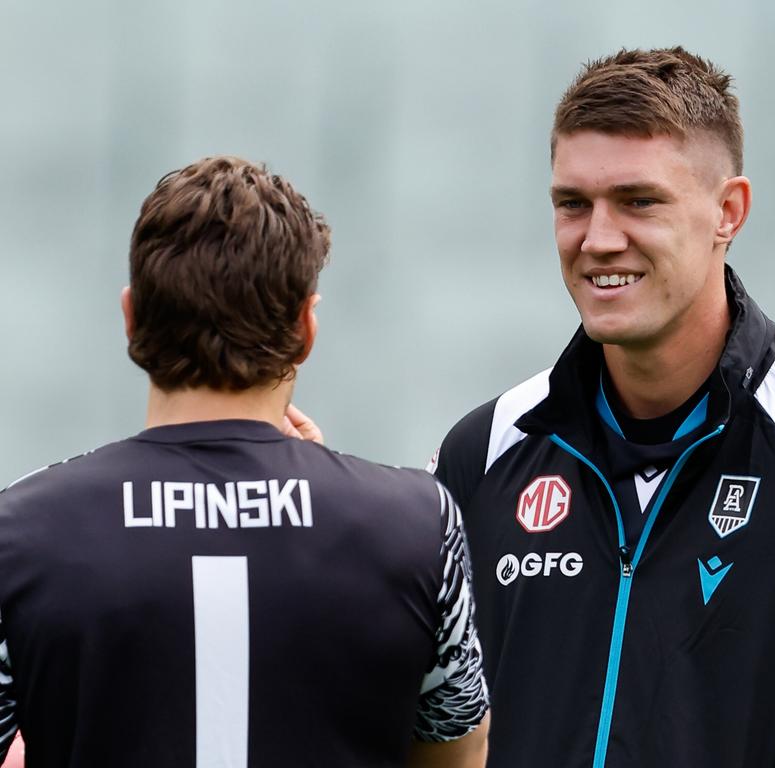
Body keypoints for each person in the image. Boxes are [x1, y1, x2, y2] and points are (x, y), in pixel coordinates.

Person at [428, 48, 775, 766]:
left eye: (639, 201)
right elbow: (406, 721)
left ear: (729, 211)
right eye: (572, 204)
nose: (597, 239)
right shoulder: (483, 454)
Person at [0, 156, 489, 768]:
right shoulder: (417, 523)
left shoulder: (20, 529)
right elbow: (456, 750)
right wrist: (324, 496)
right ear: (308, 328)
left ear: (130, 319)